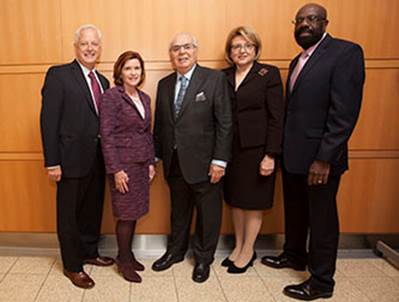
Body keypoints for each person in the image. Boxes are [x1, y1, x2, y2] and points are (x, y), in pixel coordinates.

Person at [261, 3, 365, 300]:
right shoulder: (298, 61)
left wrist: (324, 158)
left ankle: (321, 282)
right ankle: (294, 254)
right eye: (300, 20)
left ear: (325, 22)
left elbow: (344, 113)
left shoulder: (345, 53)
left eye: (312, 19)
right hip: (294, 154)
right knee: (296, 212)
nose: (305, 24)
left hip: (321, 159)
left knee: (321, 219)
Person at [152, 32, 232, 283]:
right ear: (170, 55)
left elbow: (225, 122)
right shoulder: (164, 84)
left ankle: (203, 259)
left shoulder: (214, 79)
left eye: (187, 47)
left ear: (196, 50)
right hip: (174, 163)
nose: (181, 52)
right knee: (178, 212)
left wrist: (219, 160)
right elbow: (161, 126)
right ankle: (175, 252)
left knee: (208, 215)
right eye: (176, 48)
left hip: (206, 164)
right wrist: (156, 156)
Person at [40, 24, 114, 289]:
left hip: (97, 159)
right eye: (85, 43)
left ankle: (89, 252)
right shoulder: (59, 75)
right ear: (76, 47)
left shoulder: (103, 81)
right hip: (68, 160)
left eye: (94, 44)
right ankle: (73, 265)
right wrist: (52, 161)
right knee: (69, 215)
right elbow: (48, 121)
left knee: (92, 210)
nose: (90, 48)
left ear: (100, 48)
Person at [221, 26, 284, 274]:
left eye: (247, 45)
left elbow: (277, 117)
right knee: (236, 200)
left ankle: (248, 250)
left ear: (256, 49)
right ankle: (238, 246)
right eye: (237, 46)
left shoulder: (268, 74)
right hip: (231, 150)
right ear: (230, 52)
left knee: (254, 202)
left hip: (258, 150)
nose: (242, 50)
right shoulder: (223, 76)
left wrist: (271, 155)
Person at [100, 51, 155, 283]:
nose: (133, 72)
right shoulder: (112, 97)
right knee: (125, 214)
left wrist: (151, 162)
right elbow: (107, 135)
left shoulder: (144, 98)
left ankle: (128, 254)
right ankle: (123, 262)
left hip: (142, 165)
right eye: (128, 68)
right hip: (123, 166)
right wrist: (116, 170)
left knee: (134, 213)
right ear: (120, 72)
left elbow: (147, 133)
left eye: (137, 68)